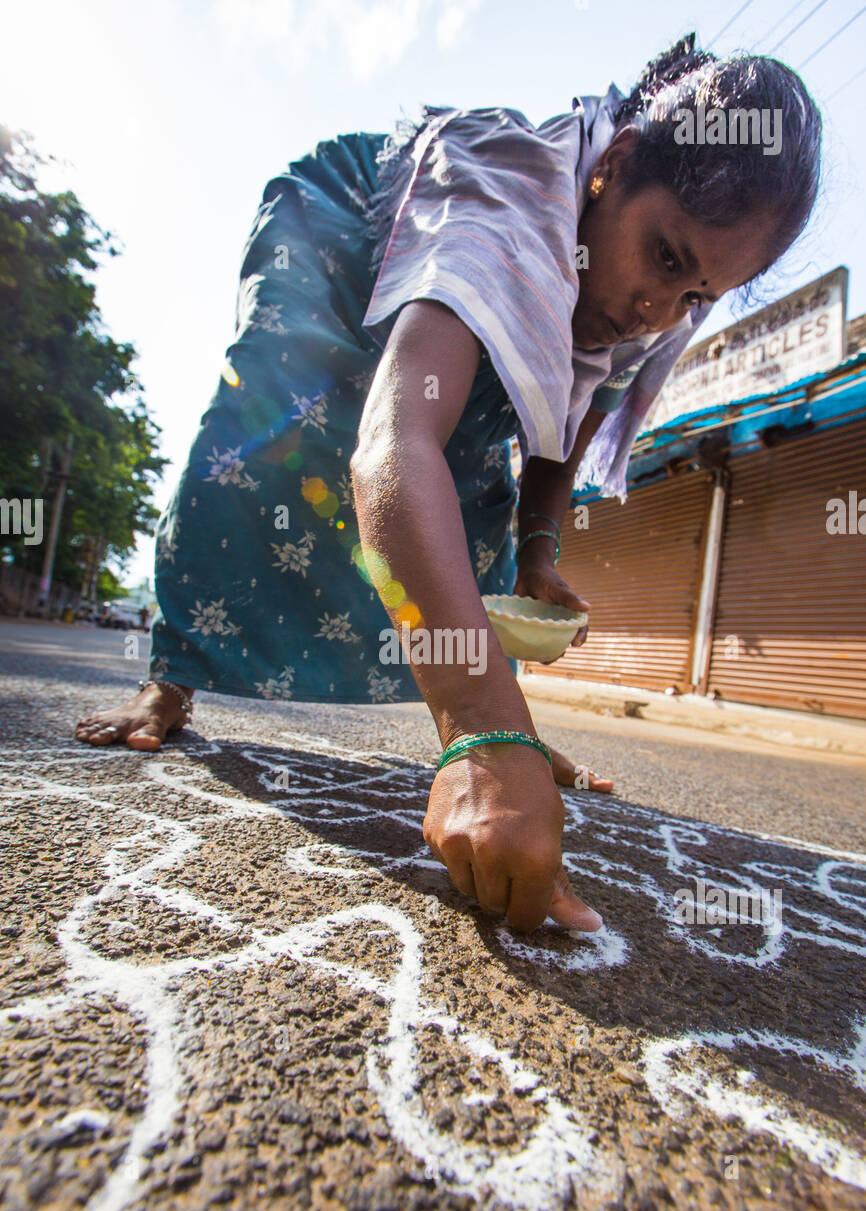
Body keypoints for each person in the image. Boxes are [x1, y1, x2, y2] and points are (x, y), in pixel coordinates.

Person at [75, 34, 822, 933]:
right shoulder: (509, 195)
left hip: (456, 301)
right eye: (665, 261)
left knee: (472, 487)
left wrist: (539, 552)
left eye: (699, 295)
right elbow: (391, 447)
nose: (658, 312)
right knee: (278, 425)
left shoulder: (656, 296)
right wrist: (481, 726)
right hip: (345, 232)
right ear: (612, 166)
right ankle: (174, 675)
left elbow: (557, 431)